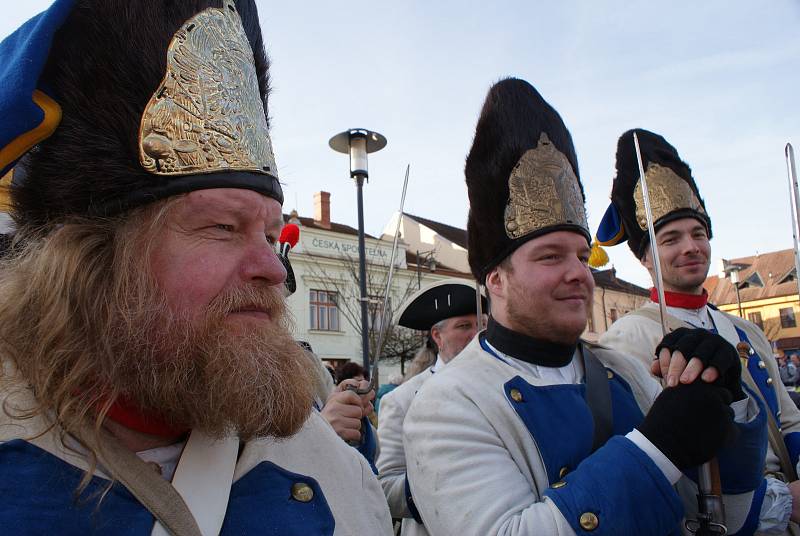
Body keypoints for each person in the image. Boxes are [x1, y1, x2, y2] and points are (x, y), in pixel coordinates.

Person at [0, 1, 392, 534]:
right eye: (222, 228)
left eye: (271, 236)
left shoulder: (339, 475)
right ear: (94, 261)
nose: (273, 271)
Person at [403, 78, 768, 535]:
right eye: (550, 256)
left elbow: (725, 520)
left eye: (580, 255)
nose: (579, 273)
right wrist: (655, 449)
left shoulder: (629, 374)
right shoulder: (446, 405)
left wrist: (727, 403)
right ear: (495, 279)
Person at [595, 129, 800, 533]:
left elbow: (789, 419)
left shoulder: (744, 330)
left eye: (698, 234)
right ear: (645, 258)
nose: (690, 247)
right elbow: (656, 457)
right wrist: (778, 503)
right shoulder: (627, 339)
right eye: (671, 239)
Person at [377, 278, 485, 535]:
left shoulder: (506, 388)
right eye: (464, 326)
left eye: (482, 325)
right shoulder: (402, 400)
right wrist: (451, 488)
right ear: (437, 336)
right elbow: (385, 485)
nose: (477, 334)